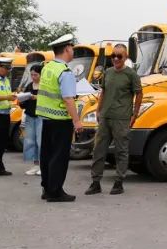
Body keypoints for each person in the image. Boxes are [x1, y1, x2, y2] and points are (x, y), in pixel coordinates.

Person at [86, 44, 143, 196]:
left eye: (119, 56)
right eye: (114, 56)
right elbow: (103, 92)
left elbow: (139, 94)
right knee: (98, 150)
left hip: (122, 119)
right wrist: (98, 110)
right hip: (105, 117)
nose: (116, 59)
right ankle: (95, 182)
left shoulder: (131, 75)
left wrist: (134, 114)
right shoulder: (108, 72)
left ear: (125, 58)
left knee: (121, 151)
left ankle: (119, 182)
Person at [36, 34, 83, 202]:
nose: (72, 51)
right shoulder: (65, 72)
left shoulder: (48, 67)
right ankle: (55, 191)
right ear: (67, 49)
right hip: (61, 120)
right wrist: (77, 121)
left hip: (47, 118)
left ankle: (47, 189)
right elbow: (68, 99)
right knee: (59, 157)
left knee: (47, 155)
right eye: (72, 48)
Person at [17, 63, 42, 176]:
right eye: (32, 75)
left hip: (41, 117)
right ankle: (35, 164)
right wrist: (21, 100)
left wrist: (36, 97)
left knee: (40, 141)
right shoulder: (29, 86)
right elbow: (24, 103)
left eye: (35, 75)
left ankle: (42, 165)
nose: (33, 77)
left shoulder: (45, 86)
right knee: (30, 141)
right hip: (30, 116)